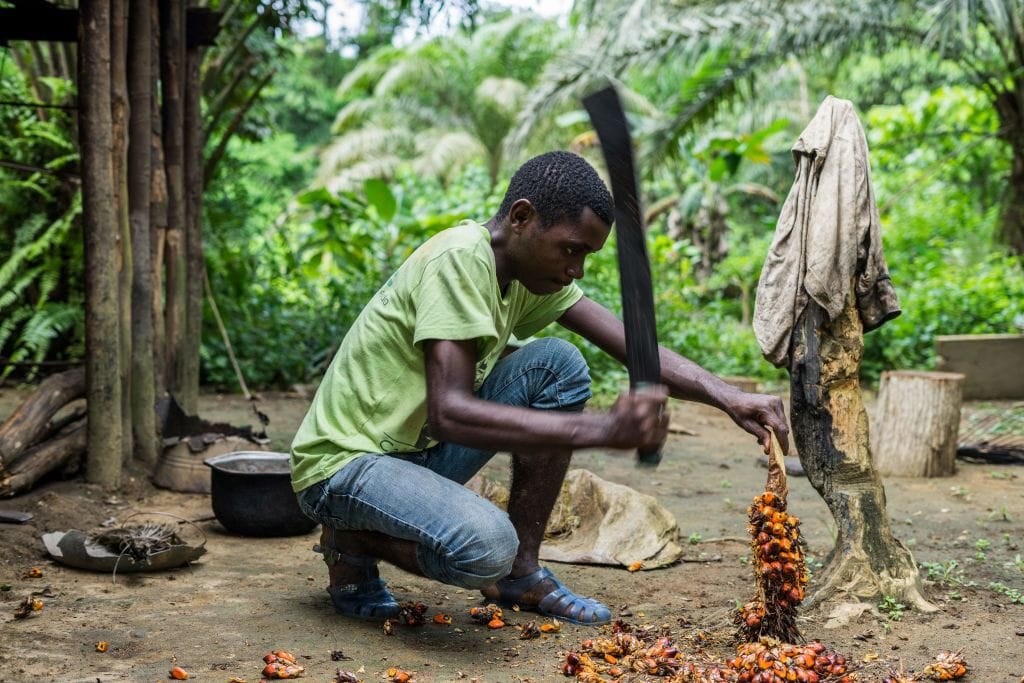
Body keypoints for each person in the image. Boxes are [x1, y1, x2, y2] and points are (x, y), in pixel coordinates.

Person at [290, 150, 790, 625]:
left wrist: (728, 395)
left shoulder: (525, 276)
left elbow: (635, 347)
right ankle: (352, 539)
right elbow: (451, 413)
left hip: (416, 456)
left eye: (587, 255)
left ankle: (521, 573)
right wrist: (602, 428)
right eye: (571, 250)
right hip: (344, 466)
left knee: (557, 364)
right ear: (522, 217)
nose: (576, 269)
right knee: (485, 547)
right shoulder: (459, 260)